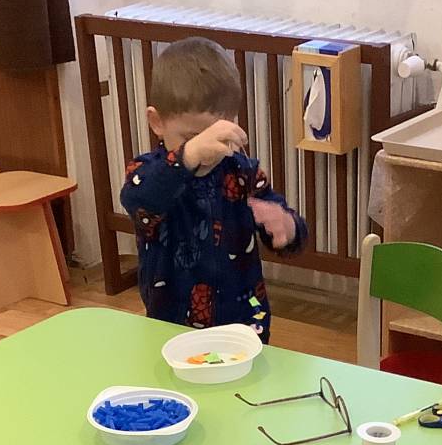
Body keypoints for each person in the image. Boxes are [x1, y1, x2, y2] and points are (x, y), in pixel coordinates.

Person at [121, 37, 306, 342]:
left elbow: (285, 232)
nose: (207, 151)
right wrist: (188, 155)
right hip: (172, 327)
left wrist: (287, 226)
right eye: (193, 138)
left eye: (216, 136)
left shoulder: (243, 172)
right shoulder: (147, 172)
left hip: (244, 326)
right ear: (157, 122)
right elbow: (139, 200)